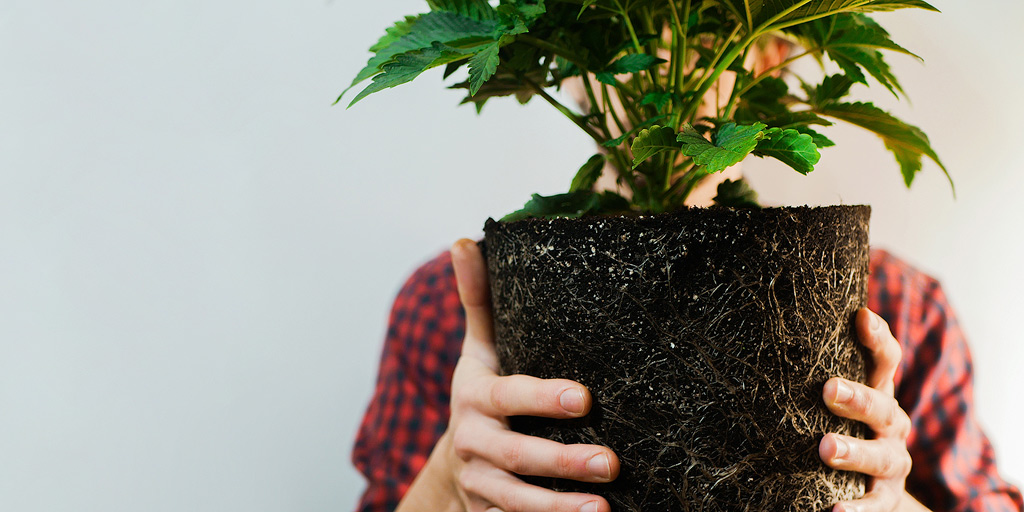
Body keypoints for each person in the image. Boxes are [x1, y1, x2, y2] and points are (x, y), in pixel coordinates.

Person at [352, 38, 1024, 512]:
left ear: (765, 57)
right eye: (611, 28)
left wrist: (892, 498)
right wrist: (450, 475)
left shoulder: (899, 309)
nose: (665, 64)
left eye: (708, 24)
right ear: (564, 64)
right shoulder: (446, 308)